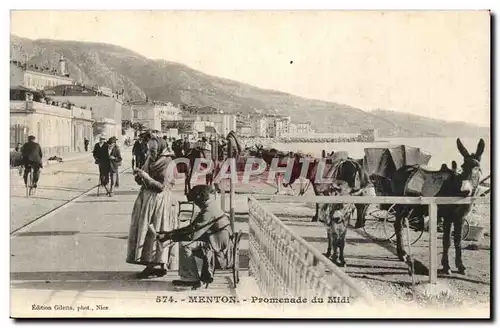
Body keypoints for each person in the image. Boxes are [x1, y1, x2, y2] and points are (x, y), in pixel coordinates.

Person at [158, 185, 234, 288]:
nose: (195, 204)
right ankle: (189, 277)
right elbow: (192, 228)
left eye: (194, 201)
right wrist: (170, 233)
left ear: (199, 198)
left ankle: (191, 279)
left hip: (219, 248)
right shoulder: (211, 205)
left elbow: (192, 235)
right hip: (218, 241)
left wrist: (170, 237)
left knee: (185, 245)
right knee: (185, 242)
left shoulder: (208, 211)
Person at [126, 136, 177, 279]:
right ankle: (152, 264)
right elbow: (143, 179)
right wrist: (139, 177)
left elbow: (162, 187)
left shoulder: (169, 163)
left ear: (161, 149)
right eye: (149, 150)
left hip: (160, 202)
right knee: (146, 232)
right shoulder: (150, 159)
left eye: (153, 150)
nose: (151, 152)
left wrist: (147, 177)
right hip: (147, 200)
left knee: (156, 231)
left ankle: (158, 265)